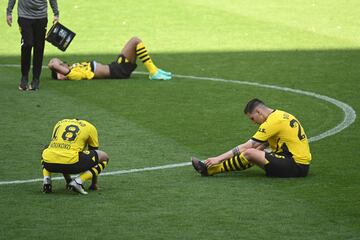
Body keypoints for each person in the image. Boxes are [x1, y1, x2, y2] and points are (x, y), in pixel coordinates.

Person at [192, 98, 312, 178]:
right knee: (257, 150)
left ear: (259, 112)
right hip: (296, 163)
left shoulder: (272, 122)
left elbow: (246, 146)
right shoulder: (280, 115)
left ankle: (213, 168)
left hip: (295, 166)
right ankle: (209, 169)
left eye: (252, 118)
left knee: (250, 152)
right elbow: (264, 144)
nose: (253, 122)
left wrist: (218, 158)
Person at [48, 36, 172, 81]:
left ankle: (154, 70)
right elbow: (54, 65)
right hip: (117, 71)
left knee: (135, 41)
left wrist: (57, 64)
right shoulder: (74, 74)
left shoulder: (73, 68)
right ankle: (153, 71)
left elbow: (55, 61)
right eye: (59, 73)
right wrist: (54, 67)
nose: (60, 68)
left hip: (115, 67)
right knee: (135, 41)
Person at [41, 118, 109, 195]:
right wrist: (94, 184)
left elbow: (59, 149)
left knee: (46, 149)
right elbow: (94, 152)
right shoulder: (90, 127)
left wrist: (68, 180)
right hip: (73, 164)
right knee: (104, 156)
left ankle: (47, 179)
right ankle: (78, 181)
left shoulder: (59, 123)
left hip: (48, 165)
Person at [6, 0, 59, 91]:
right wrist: (9, 12)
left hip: (41, 17)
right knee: (27, 44)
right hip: (24, 16)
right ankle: (24, 78)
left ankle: (35, 80)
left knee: (39, 48)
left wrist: (56, 13)